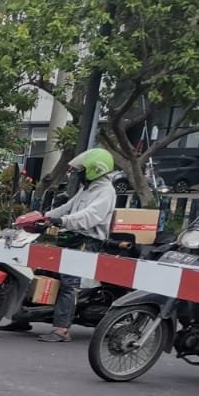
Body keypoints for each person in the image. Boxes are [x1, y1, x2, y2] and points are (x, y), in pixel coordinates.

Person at [35, 147, 119, 343]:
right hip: (74, 237)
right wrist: (45, 216)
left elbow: (89, 217)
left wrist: (63, 221)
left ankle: (62, 329)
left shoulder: (106, 192)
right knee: (47, 271)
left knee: (70, 283)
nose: (77, 173)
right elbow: (69, 207)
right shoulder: (87, 188)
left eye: (81, 170)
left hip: (88, 241)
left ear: (95, 169)